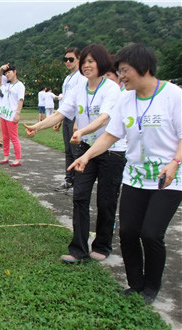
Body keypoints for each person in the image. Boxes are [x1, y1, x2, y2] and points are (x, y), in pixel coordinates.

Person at [69, 44, 181, 304]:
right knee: (128, 232)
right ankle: (135, 284)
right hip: (136, 176)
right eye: (118, 72)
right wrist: (86, 156)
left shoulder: (173, 95)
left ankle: (151, 287)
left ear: (145, 68)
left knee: (151, 233)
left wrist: (175, 162)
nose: (121, 77)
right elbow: (110, 135)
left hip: (169, 177)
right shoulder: (125, 98)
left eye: (125, 71)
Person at [25, 44, 127, 263]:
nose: (86, 66)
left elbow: (104, 118)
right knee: (80, 197)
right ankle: (78, 249)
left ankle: (102, 244)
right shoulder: (78, 89)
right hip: (85, 150)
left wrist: (82, 130)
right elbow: (61, 113)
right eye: (84, 62)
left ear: (101, 63)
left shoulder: (111, 88)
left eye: (91, 61)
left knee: (106, 201)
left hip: (111, 152)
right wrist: (37, 126)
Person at [54, 47, 86, 195]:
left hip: (75, 117)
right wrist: (59, 119)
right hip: (66, 116)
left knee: (76, 151)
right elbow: (65, 100)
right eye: (65, 59)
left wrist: (77, 122)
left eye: (71, 59)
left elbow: (81, 101)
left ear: (79, 59)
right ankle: (69, 179)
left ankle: (78, 183)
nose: (67, 62)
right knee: (68, 150)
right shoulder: (68, 78)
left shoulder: (82, 77)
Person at [0, 63, 25, 167]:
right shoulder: (7, 84)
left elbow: (20, 100)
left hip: (12, 115)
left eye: (9, 72)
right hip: (4, 114)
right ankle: (6, 156)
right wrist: (1, 68)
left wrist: (17, 114)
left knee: (14, 137)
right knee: (5, 137)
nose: (7, 75)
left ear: (15, 72)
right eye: (6, 73)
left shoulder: (20, 86)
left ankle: (18, 158)